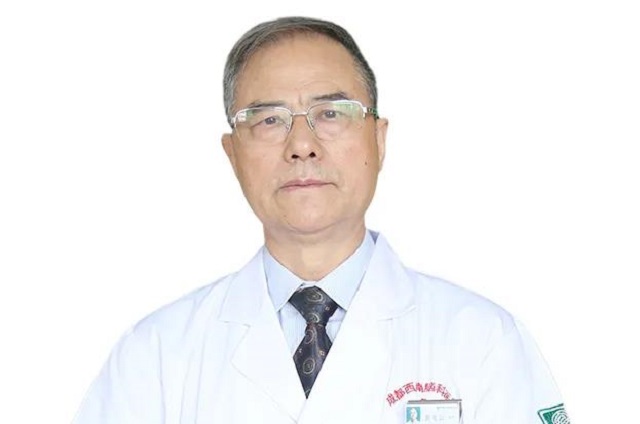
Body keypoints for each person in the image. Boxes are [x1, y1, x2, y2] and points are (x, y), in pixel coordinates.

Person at [72, 16, 569, 424]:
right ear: (232, 153)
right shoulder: (155, 356)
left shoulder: (482, 341)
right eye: (269, 120)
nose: (302, 145)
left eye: (331, 113)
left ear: (379, 139)